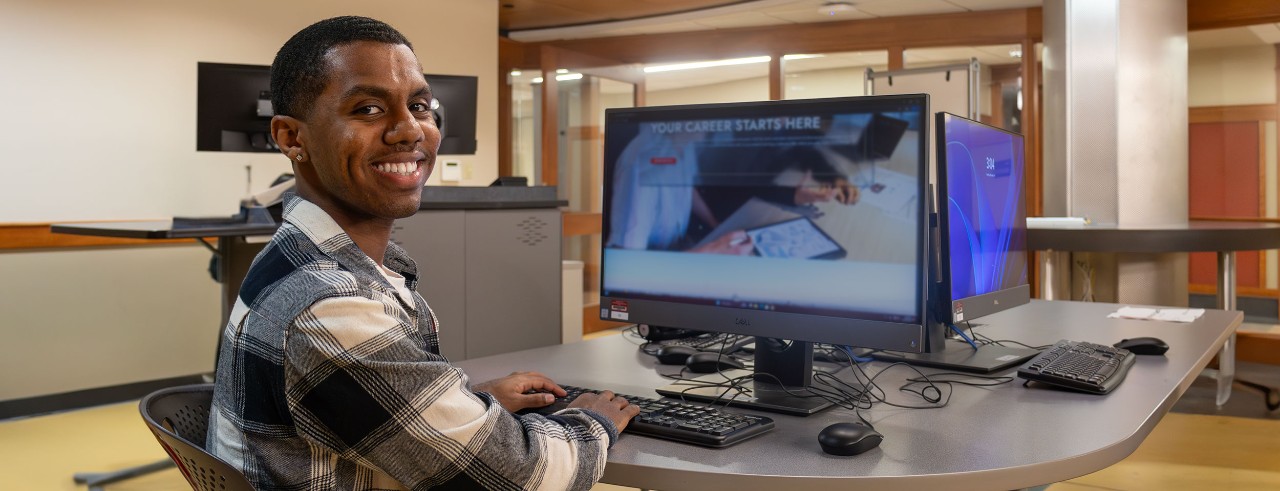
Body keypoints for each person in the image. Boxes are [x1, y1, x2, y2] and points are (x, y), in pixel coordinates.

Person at [208, 16, 639, 490]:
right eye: (369, 109)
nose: (410, 130)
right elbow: (520, 479)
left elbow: (349, 405)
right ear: (292, 138)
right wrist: (591, 421)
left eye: (420, 105)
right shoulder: (330, 308)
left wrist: (466, 401)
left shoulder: (292, 256)